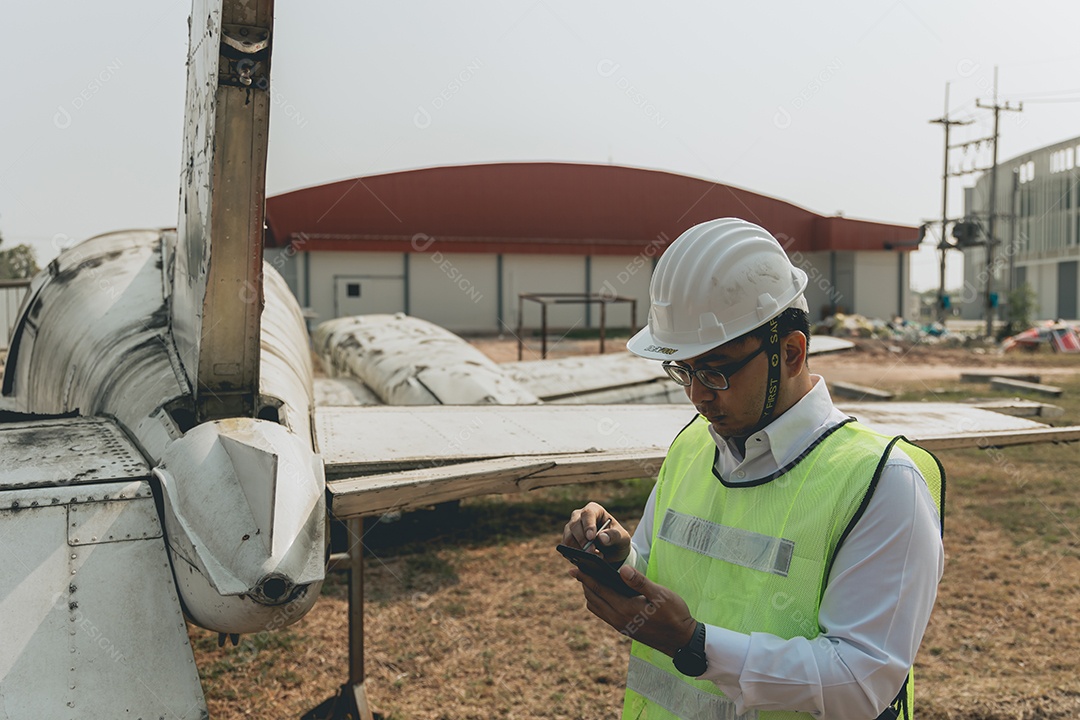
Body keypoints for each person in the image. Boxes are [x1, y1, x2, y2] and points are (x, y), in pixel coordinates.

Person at [562, 218, 944, 720]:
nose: (698, 395)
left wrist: (694, 644)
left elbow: (861, 681)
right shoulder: (693, 447)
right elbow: (663, 567)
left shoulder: (881, 481)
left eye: (716, 370)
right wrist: (617, 559)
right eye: (683, 371)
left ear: (790, 352)